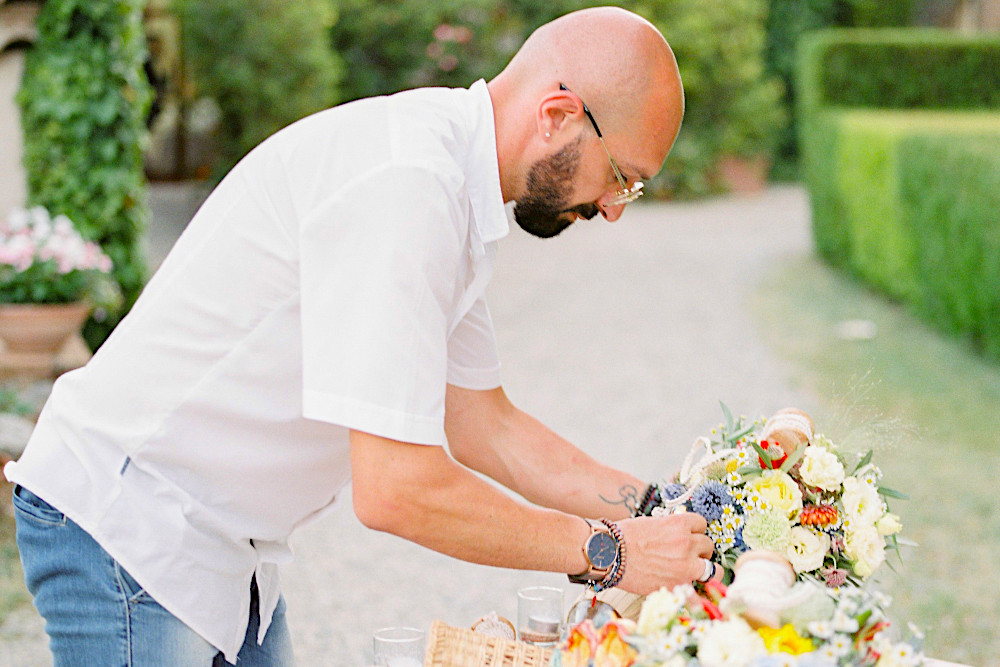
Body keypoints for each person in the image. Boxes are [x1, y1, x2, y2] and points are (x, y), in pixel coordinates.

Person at [5, 7, 716, 666]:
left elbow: (486, 427)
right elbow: (397, 489)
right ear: (559, 115)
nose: (616, 209)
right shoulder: (408, 188)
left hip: (227, 547)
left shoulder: (455, 188)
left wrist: (671, 512)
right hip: (133, 525)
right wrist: (611, 553)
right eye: (622, 177)